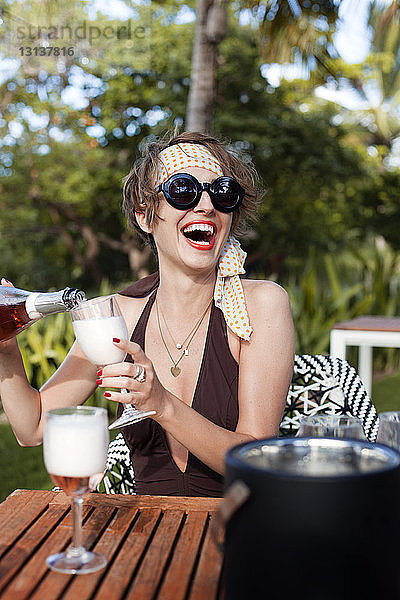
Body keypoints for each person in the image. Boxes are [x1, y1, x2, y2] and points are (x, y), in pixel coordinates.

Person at [0, 130, 295, 497]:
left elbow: (256, 463)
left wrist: (162, 405)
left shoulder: (259, 306)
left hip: (239, 530)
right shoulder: (117, 313)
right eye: (183, 190)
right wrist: (5, 348)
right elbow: (34, 427)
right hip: (146, 536)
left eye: (222, 193)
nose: (206, 206)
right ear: (145, 215)